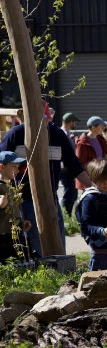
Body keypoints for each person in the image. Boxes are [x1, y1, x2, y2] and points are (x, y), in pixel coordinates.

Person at [0, 104, 92, 256]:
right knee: (35, 245)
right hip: (24, 199)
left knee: (58, 243)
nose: (42, 125)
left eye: (45, 120)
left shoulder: (57, 135)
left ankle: (60, 272)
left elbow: (74, 165)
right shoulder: (15, 134)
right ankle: (41, 272)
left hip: (51, 198)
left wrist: (92, 188)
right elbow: (2, 162)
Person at [0, 151, 31, 262]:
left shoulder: (11, 187)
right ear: (1, 166)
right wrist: (1, 205)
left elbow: (12, 211)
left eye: (18, 167)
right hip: (3, 238)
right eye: (14, 167)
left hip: (14, 235)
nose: (18, 171)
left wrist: (21, 223)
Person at [75, 116, 107, 192]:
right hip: (90, 179)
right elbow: (80, 163)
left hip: (101, 175)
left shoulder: (100, 139)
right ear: (94, 127)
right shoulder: (82, 143)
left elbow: (105, 154)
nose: (103, 128)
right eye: (101, 126)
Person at [60, 112, 80, 215]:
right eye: (74, 121)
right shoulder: (62, 133)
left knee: (72, 192)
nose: (75, 124)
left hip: (69, 167)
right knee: (69, 192)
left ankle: (68, 214)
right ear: (70, 121)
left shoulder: (69, 134)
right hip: (65, 168)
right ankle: (66, 215)